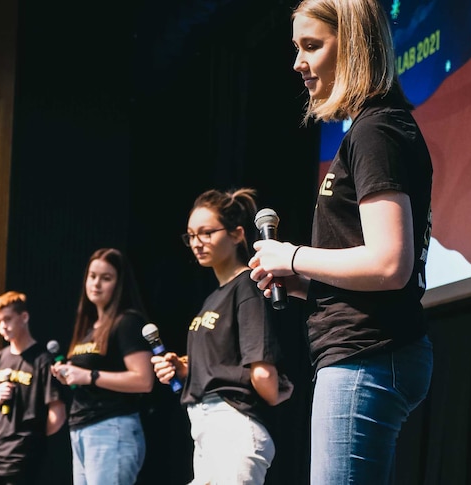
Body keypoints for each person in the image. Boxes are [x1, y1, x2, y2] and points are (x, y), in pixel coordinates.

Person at [248, 1, 434, 483]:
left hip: (367, 352)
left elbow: (391, 263)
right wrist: (302, 281)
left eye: (312, 46)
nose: (297, 63)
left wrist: (291, 255)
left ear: (353, 45)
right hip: (366, 350)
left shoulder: (376, 130)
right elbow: (375, 266)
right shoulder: (372, 129)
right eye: (296, 48)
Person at [151, 187, 294, 485]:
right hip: (206, 428)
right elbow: (224, 359)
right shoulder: (214, 297)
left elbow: (263, 374)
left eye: (206, 233)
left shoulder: (248, 286)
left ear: (237, 234)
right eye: (191, 235)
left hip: (232, 424)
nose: (196, 243)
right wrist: (183, 366)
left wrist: (278, 389)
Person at [50, 247, 155, 485]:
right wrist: (68, 373)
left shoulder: (127, 321)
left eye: (106, 278)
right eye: (92, 276)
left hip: (111, 428)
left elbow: (144, 380)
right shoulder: (89, 327)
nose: (96, 284)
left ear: (119, 284)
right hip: (81, 429)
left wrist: (88, 375)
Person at [0, 291, 67, 485]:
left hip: (26, 457)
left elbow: (57, 414)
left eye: (8, 319)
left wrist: (32, 442)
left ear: (24, 317)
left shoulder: (43, 361)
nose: (3, 326)